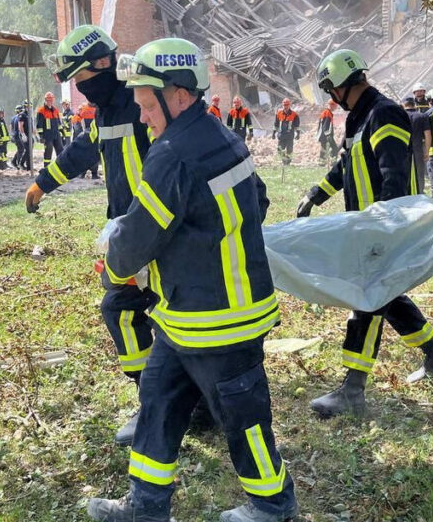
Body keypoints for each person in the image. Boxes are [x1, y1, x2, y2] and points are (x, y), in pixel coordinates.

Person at [86, 37, 298, 522]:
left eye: (146, 104)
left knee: (243, 422)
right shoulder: (222, 136)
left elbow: (138, 237)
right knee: (158, 401)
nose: (142, 116)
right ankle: (145, 507)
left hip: (220, 322)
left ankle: (275, 507)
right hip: (185, 316)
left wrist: (116, 272)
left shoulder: (172, 155)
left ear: (177, 93)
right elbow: (257, 204)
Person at [295, 49, 433, 418]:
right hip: (370, 225)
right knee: (386, 295)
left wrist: (384, 228)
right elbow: (344, 166)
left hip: (383, 226)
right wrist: (315, 194)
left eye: (329, 90)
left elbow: (394, 173)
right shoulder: (359, 119)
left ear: (338, 85)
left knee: (367, 299)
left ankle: (352, 388)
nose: (331, 99)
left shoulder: (383, 113)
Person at [24, 26, 160, 446]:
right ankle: (163, 402)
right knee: (126, 310)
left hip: (159, 234)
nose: (80, 92)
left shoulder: (142, 104)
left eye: (81, 80)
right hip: (132, 235)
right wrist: (42, 183)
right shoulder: (106, 111)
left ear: (102, 65)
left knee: (141, 312)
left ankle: (163, 407)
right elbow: (83, 149)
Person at [402, 96, 428, 195]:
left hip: (403, 149)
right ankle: (419, 193)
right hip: (418, 149)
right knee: (419, 173)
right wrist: (427, 150)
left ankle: (406, 194)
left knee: (405, 172)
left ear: (404, 105)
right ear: (414, 104)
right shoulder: (422, 116)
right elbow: (427, 135)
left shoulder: (399, 116)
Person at [36, 92, 64, 168]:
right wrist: (41, 136)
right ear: (45, 100)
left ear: (53, 100)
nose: (49, 101)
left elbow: (58, 123)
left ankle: (61, 167)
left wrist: (62, 133)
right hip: (47, 136)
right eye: (48, 100)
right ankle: (46, 167)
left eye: (51, 100)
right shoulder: (41, 111)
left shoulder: (55, 110)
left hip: (56, 134)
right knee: (48, 151)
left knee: (60, 150)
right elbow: (39, 125)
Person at [272, 98, 300, 165]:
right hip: (281, 135)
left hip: (290, 136)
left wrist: (298, 134)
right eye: (284, 105)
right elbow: (276, 124)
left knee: (289, 150)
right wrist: (273, 133)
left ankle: (288, 163)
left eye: (287, 105)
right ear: (282, 105)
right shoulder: (278, 113)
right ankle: (284, 160)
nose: (285, 106)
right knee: (279, 150)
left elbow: (297, 125)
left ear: (289, 105)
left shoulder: (294, 114)